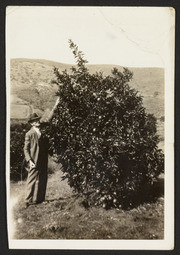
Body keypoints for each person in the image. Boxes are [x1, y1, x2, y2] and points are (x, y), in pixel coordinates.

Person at [23, 113, 53, 208]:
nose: (37, 122)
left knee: (43, 178)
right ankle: (27, 200)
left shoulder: (43, 133)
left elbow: (47, 146)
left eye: (38, 120)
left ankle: (40, 199)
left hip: (43, 159)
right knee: (31, 179)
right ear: (32, 123)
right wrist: (29, 160)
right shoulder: (29, 134)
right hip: (34, 160)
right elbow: (26, 149)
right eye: (35, 121)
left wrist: (51, 153)